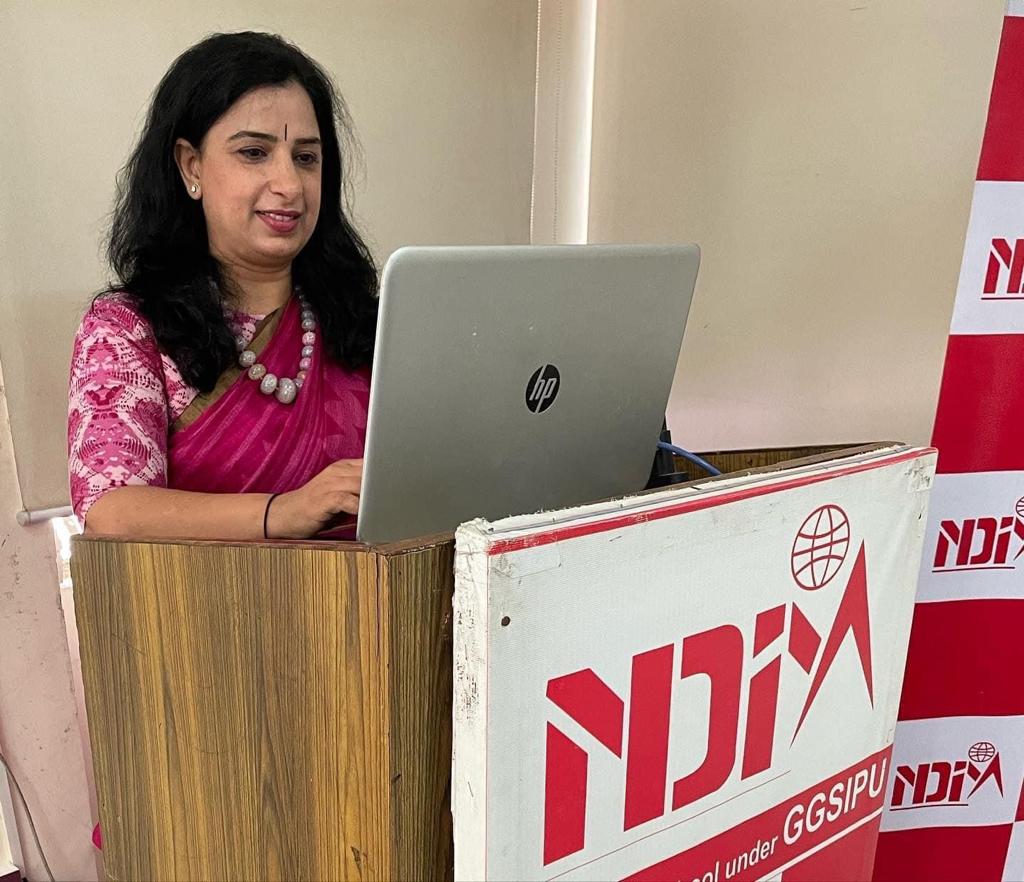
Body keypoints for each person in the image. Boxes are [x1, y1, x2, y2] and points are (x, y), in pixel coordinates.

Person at [67, 31, 378, 540]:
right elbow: (112, 513)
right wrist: (281, 514)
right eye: (254, 152)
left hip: (380, 589)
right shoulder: (129, 329)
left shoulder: (364, 323)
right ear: (191, 166)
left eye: (306, 157)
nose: (289, 185)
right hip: (207, 594)